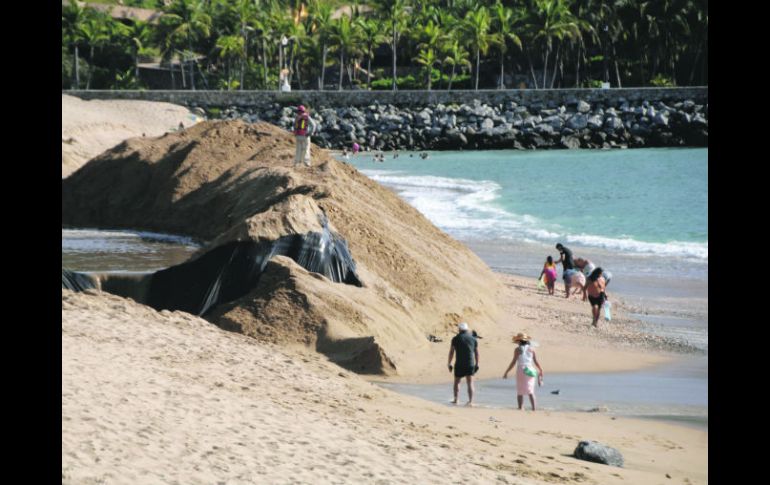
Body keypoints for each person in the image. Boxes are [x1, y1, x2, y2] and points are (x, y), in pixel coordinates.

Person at [503, 333, 544, 411]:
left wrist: (507, 372)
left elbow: (513, 362)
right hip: (531, 369)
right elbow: (535, 361)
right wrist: (540, 369)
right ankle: (534, 408)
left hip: (521, 369)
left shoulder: (518, 349)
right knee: (531, 390)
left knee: (520, 390)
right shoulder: (532, 349)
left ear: (519, 341)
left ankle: (520, 407)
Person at [447, 322, 479, 406]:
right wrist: (477, 364)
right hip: (470, 363)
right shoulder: (473, 339)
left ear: (459, 329)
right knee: (470, 382)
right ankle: (471, 401)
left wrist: (449, 363)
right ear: (467, 329)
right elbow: (476, 353)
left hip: (459, 363)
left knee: (457, 382)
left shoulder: (455, 339)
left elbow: (451, 352)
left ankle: (456, 399)